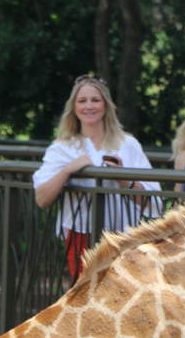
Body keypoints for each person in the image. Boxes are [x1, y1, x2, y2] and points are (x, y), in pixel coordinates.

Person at [33, 74, 162, 282]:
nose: (89, 106)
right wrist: (68, 170)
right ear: (74, 107)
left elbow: (155, 201)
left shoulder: (128, 144)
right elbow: (42, 198)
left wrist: (124, 179)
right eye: (82, 101)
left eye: (96, 100)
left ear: (106, 105)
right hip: (82, 236)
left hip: (125, 237)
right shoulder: (62, 148)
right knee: (86, 300)